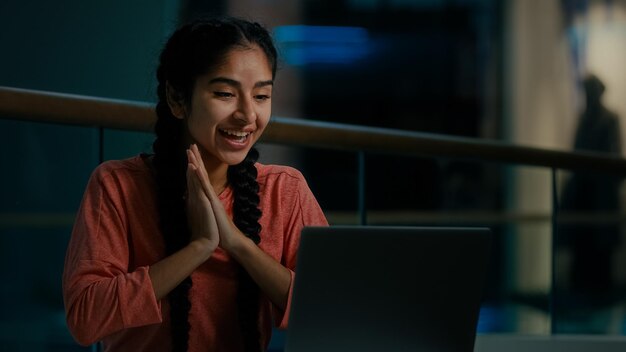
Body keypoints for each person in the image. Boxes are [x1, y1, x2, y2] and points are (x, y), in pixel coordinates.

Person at [62, 16, 328, 352]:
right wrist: (198, 247)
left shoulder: (285, 190)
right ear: (177, 98)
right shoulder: (117, 185)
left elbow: (331, 312)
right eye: (225, 93)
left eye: (261, 96)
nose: (248, 115)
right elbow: (85, 319)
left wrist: (238, 245)